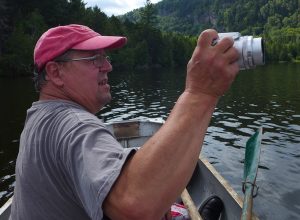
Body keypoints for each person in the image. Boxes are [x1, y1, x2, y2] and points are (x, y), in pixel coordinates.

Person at [10, 24, 239, 220]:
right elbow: (135, 204)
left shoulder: (40, 117)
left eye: (105, 57)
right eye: (95, 59)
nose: (108, 66)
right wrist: (200, 93)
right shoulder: (73, 124)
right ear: (56, 73)